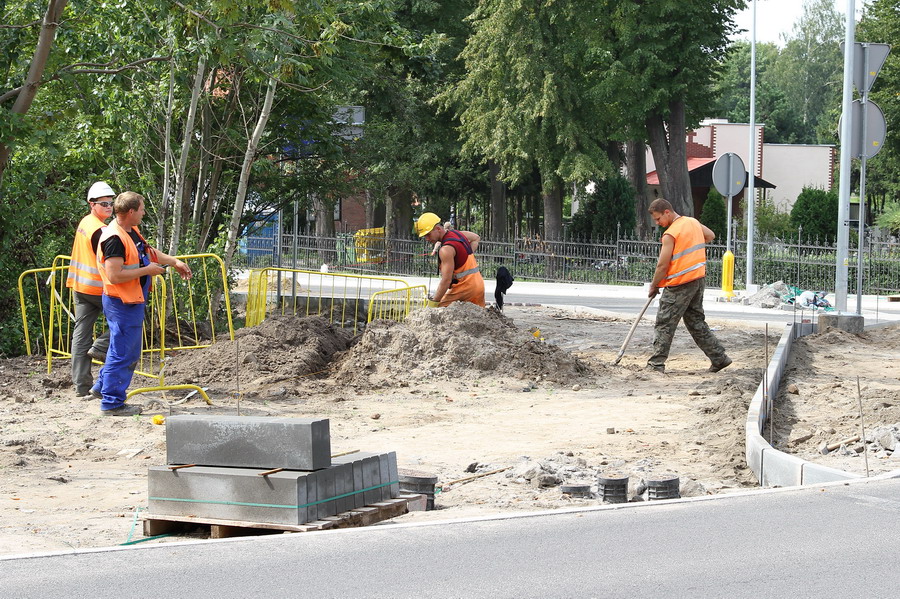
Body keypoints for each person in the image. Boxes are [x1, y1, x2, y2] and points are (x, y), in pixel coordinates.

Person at [95, 191, 192, 416]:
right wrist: (148, 270)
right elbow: (114, 275)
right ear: (131, 212)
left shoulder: (130, 231)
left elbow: (148, 252)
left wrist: (174, 261)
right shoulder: (114, 238)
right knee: (124, 353)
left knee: (119, 349)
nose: (144, 212)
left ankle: (102, 388)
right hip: (122, 301)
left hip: (129, 300)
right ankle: (111, 403)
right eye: (141, 209)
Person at [646, 198, 731, 374]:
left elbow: (662, 265)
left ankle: (656, 365)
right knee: (695, 322)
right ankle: (719, 358)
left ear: (667, 212)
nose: (657, 223)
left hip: (680, 283)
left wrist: (654, 285)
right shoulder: (692, 222)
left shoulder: (670, 234)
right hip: (698, 279)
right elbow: (710, 235)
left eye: (658, 218)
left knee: (665, 323)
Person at [67, 181, 116, 397]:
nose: (109, 207)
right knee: (128, 324)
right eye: (103, 203)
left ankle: (81, 386)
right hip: (98, 288)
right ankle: (100, 347)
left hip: (81, 286)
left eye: (111, 203)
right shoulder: (100, 230)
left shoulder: (86, 222)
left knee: (81, 334)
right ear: (91, 204)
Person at [415, 212, 486, 308]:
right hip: (478, 284)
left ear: (438, 229)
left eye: (428, 234)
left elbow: (446, 281)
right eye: (424, 236)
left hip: (465, 287)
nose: (427, 239)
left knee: (437, 312)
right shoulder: (457, 234)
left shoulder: (446, 250)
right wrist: (464, 254)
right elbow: (476, 238)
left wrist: (433, 303)